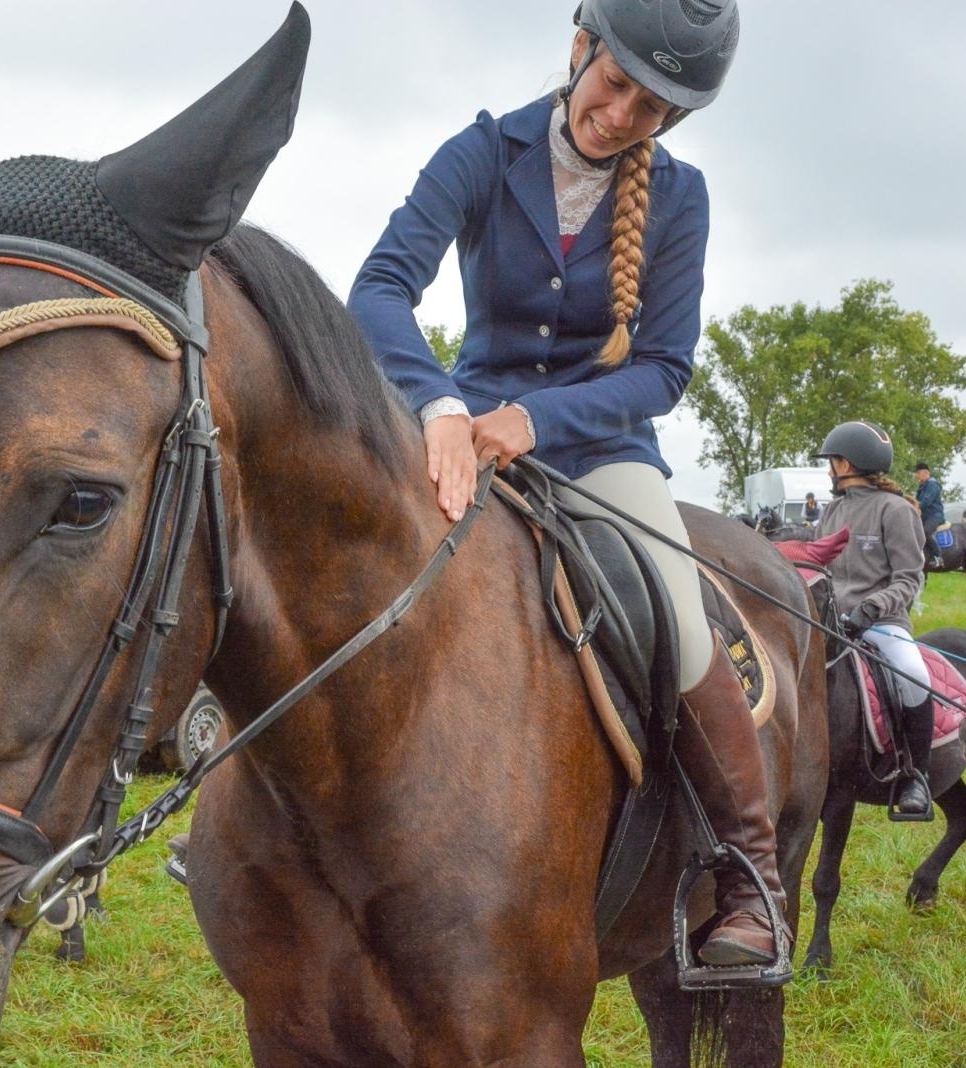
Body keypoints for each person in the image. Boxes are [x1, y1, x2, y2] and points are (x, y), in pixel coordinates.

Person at [349, 0, 785, 967]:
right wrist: (439, 408)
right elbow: (380, 287)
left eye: (652, 107)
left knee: (674, 612)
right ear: (581, 48)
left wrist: (539, 421)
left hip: (602, 448)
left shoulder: (681, 196)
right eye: (616, 83)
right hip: (464, 428)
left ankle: (750, 872)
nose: (622, 114)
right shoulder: (481, 151)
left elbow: (664, 367)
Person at [813, 422, 935, 819]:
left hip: (883, 621)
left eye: (831, 462)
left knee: (912, 674)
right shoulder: (832, 510)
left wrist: (870, 608)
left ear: (845, 463)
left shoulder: (895, 510)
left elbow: (909, 579)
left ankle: (916, 774)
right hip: (832, 620)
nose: (829, 470)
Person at [913, 462, 946, 569]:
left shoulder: (933, 485)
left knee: (925, 531)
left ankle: (938, 557)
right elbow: (916, 501)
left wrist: (915, 508)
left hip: (935, 515)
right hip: (925, 516)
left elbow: (926, 501)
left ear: (926, 473)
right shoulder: (922, 486)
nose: (916, 475)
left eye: (918, 473)